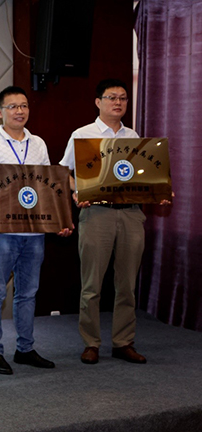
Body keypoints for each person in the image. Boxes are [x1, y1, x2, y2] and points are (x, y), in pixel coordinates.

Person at [60, 79, 170, 365]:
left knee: (127, 284)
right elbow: (63, 172)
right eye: (111, 97)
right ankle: (91, 343)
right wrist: (77, 191)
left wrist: (159, 191)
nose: (118, 102)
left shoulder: (133, 136)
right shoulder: (82, 135)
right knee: (92, 285)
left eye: (123, 98)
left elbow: (142, 177)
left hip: (131, 214)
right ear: (98, 102)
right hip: (96, 213)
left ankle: (123, 342)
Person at [0, 86, 72, 375]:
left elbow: (48, 186)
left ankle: (25, 349)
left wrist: (59, 221)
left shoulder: (38, 143)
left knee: (28, 294)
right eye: (13, 106)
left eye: (24, 105)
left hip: (34, 234)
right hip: (2, 232)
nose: (20, 111)